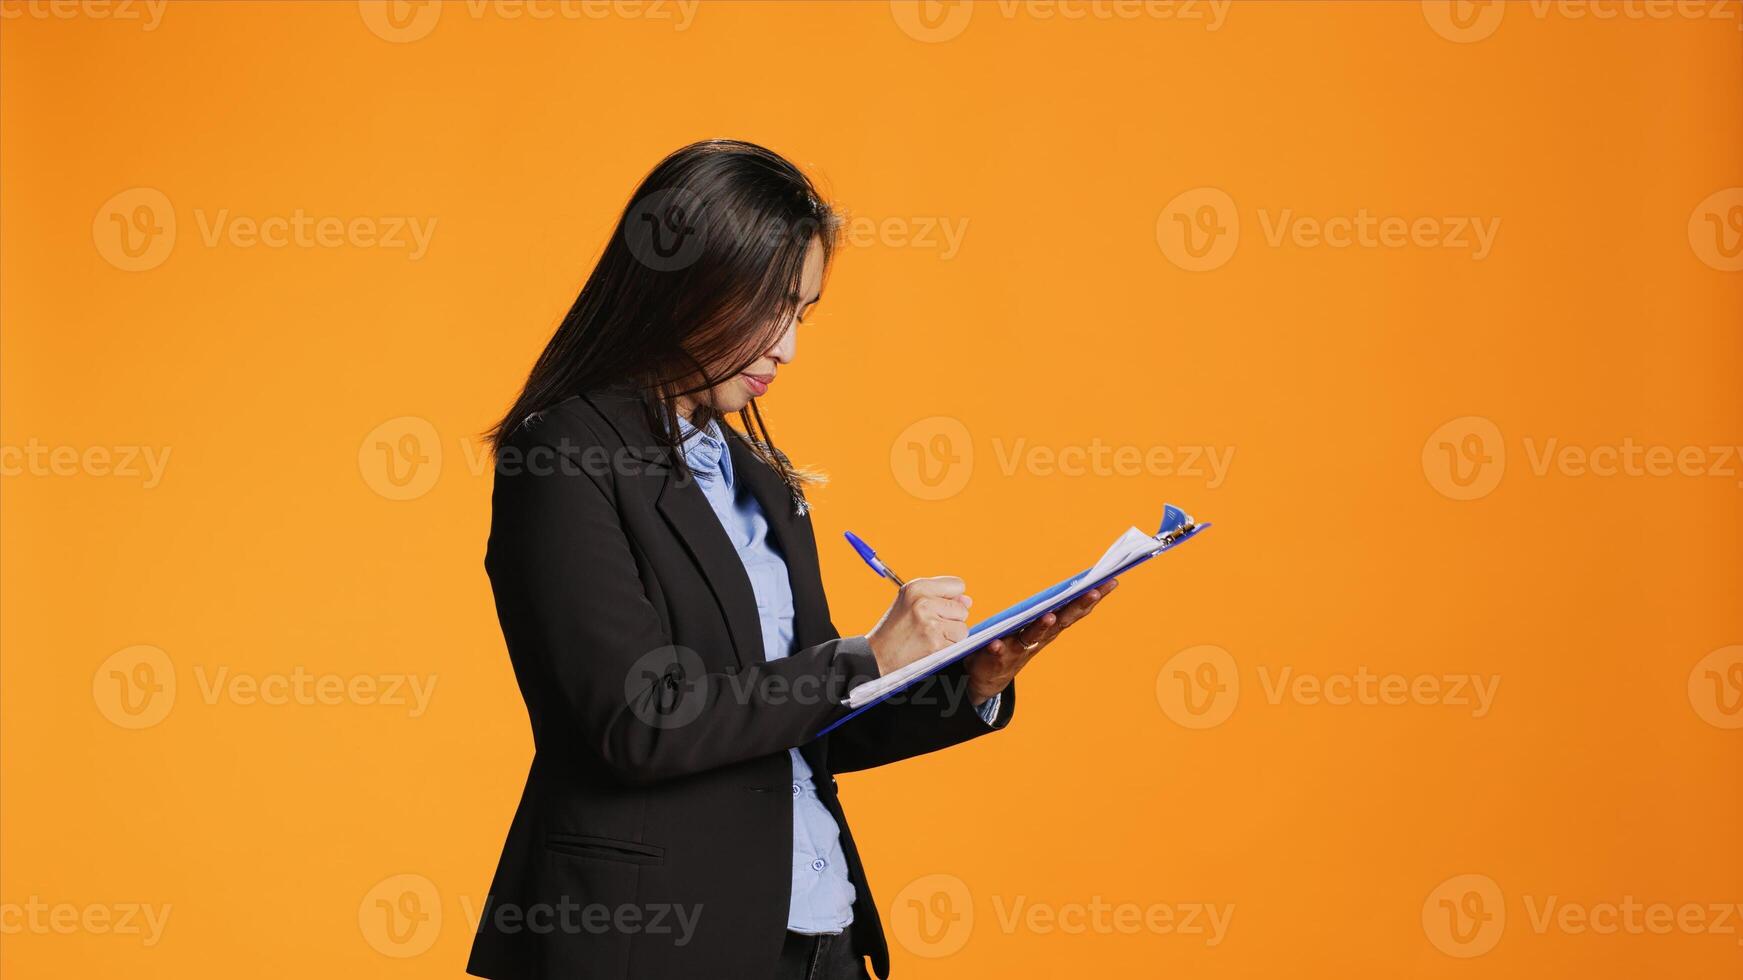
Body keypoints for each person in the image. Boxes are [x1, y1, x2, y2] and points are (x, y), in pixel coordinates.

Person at [468, 140, 1115, 980]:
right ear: (684, 281)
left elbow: (808, 724)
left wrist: (968, 681)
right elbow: (635, 721)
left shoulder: (760, 479)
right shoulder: (561, 455)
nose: (787, 349)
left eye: (801, 315)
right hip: (651, 948)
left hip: (818, 935)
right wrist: (868, 655)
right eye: (770, 308)